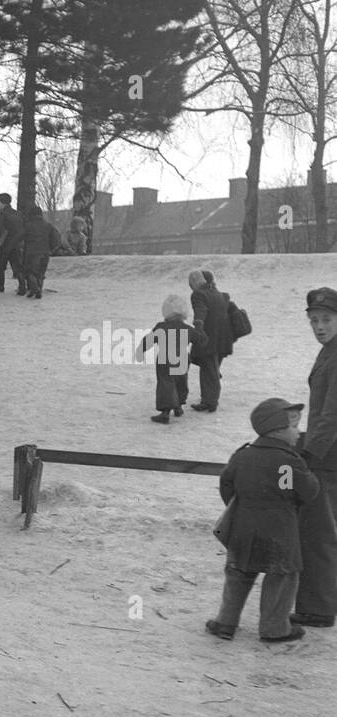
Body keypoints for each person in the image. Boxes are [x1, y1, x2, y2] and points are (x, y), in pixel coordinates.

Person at [206, 399, 317, 643]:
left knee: (238, 573)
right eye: (294, 428)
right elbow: (305, 491)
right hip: (280, 529)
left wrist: (241, 506)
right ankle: (275, 628)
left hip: (243, 526)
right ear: (277, 431)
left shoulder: (242, 455)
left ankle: (225, 623)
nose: (299, 433)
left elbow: (227, 484)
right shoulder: (287, 462)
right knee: (282, 575)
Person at [292, 286, 337, 628]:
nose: (319, 326)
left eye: (326, 319)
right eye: (314, 320)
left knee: (318, 533)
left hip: (327, 456)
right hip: (327, 451)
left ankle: (317, 609)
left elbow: (331, 414)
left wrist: (308, 455)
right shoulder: (329, 352)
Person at [139, 292, 204, 424]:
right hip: (183, 359)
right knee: (180, 382)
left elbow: (149, 341)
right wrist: (199, 328)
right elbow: (201, 340)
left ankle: (165, 413)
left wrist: (141, 350)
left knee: (166, 383)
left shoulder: (161, 327)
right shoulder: (188, 329)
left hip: (165, 358)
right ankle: (178, 406)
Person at [187, 269, 234, 413]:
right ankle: (208, 398)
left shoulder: (198, 294)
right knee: (211, 368)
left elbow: (200, 310)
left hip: (209, 338)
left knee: (208, 369)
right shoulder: (218, 294)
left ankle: (210, 401)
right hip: (223, 338)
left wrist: (198, 326)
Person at [19, 205, 61, 299]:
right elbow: (57, 239)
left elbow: (19, 238)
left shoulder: (28, 226)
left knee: (30, 272)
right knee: (40, 274)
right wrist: (51, 249)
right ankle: (38, 291)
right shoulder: (48, 225)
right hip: (45, 253)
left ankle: (35, 289)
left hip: (32, 253)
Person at [0, 193, 25, 294]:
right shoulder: (18, 214)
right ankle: (22, 287)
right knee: (17, 267)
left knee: (0, 265)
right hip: (16, 244)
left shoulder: (2, 214)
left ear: (4, 204)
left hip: (4, 244)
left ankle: (0, 286)